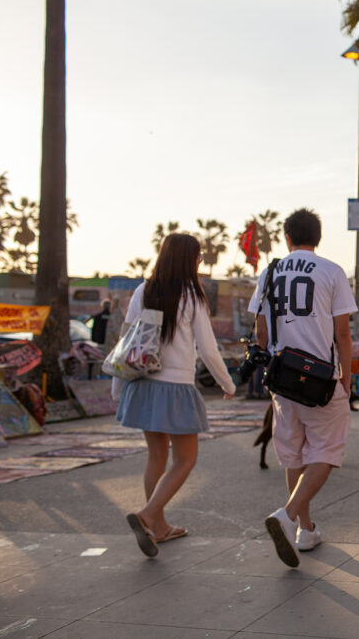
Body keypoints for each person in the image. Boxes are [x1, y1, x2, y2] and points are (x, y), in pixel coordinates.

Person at [113, 233, 236, 558]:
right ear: (188, 260)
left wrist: (118, 386)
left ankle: (159, 526)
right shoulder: (192, 296)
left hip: (142, 384)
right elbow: (208, 349)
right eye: (198, 257)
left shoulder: (144, 289)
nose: (200, 262)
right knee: (186, 459)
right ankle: (148, 515)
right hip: (176, 387)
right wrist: (228, 384)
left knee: (157, 456)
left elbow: (126, 341)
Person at [252, 209, 357, 567]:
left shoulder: (270, 272)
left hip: (282, 379)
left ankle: (305, 528)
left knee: (294, 454)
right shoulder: (331, 271)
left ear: (286, 238)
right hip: (319, 377)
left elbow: (261, 333)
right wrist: (346, 376)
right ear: (319, 237)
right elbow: (342, 332)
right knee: (326, 451)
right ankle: (289, 515)